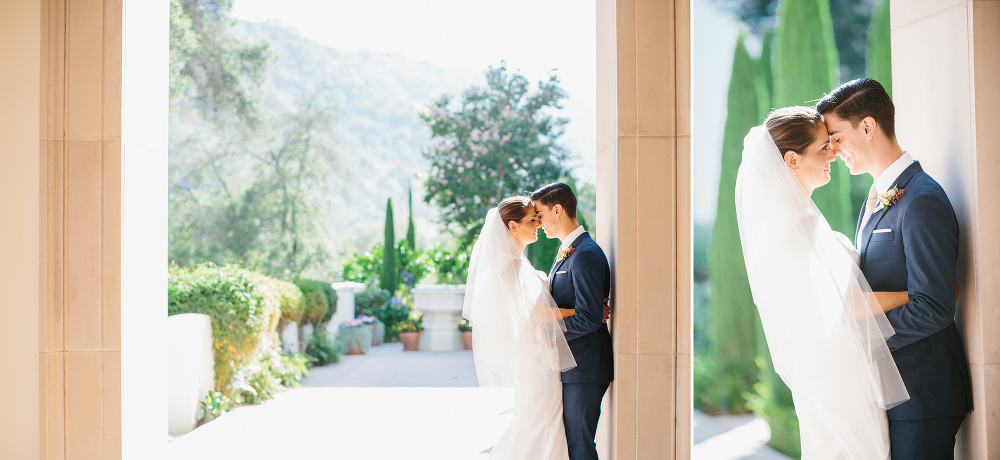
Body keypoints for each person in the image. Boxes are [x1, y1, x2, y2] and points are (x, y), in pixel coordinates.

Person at [736, 106, 911, 459]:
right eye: (822, 148)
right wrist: (914, 295)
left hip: (826, 376)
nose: (833, 152)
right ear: (791, 161)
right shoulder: (802, 227)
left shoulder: (785, 226)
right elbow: (848, 304)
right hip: (841, 381)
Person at [818, 78, 971, 459]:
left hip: (923, 395)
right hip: (896, 393)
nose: (833, 151)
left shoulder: (921, 199)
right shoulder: (879, 196)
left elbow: (934, 306)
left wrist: (863, 344)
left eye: (836, 137)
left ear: (867, 127)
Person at [462, 196, 578, 460]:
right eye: (531, 219)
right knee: (541, 425)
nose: (538, 222)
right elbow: (537, 314)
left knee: (535, 424)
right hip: (536, 358)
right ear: (513, 227)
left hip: (531, 356)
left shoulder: (511, 263)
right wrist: (584, 310)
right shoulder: (513, 265)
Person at [531, 183, 612, 460]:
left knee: (580, 447)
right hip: (573, 367)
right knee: (571, 445)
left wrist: (546, 333)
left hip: (584, 368)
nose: (538, 223)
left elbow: (589, 318)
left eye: (540, 215)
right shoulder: (568, 251)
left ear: (557, 209)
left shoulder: (585, 254)